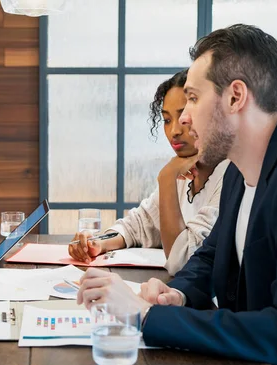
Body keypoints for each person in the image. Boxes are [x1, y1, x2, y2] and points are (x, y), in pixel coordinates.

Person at [77, 24, 277, 365]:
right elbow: (212, 254)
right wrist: (176, 295)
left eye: (192, 98)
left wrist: (147, 316)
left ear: (236, 96)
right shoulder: (241, 170)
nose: (183, 119)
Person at [69, 70, 229, 274]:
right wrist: (96, 243)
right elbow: (139, 225)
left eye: (183, 117)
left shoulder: (230, 176)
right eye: (167, 120)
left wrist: (167, 179)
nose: (174, 132)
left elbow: (182, 262)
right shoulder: (180, 170)